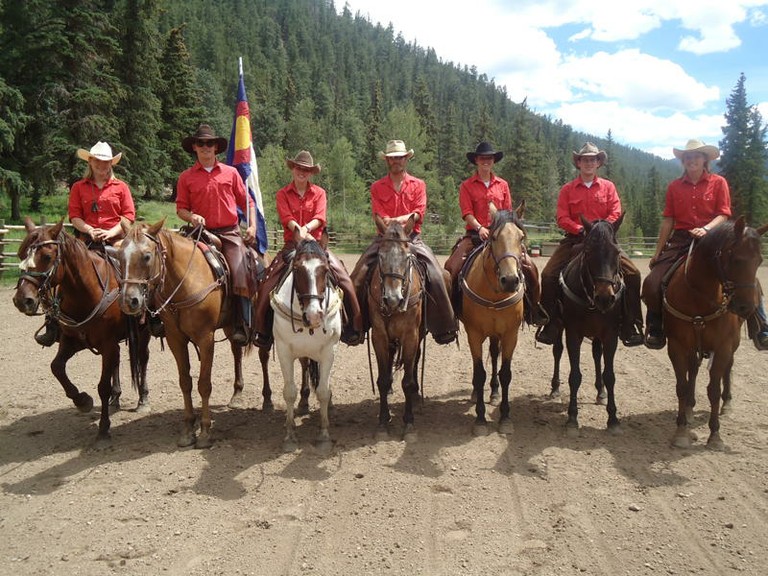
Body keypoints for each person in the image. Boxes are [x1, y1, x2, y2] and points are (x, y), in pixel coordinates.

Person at [642, 138, 768, 350]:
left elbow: (723, 213)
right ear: (684, 161)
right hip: (681, 238)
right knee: (654, 280)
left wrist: (707, 229)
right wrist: (658, 252)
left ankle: (761, 325)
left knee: (745, 276)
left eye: (696, 156)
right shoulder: (674, 187)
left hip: (714, 239)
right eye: (688, 157)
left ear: (704, 160)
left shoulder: (718, 182)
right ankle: (656, 326)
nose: (692, 160)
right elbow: (668, 220)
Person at [535, 142, 645, 347]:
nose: (589, 163)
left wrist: (601, 230)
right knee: (548, 274)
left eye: (592, 159)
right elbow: (561, 216)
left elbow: (615, 211)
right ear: (578, 163)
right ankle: (549, 324)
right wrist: (579, 229)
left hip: (604, 242)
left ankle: (631, 324)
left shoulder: (608, 187)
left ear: (598, 163)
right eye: (585, 159)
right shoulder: (567, 189)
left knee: (633, 274)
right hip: (575, 238)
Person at [350, 139, 458, 345]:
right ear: (387, 161)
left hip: (411, 239)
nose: (396, 161)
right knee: (356, 276)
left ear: (406, 159)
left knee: (439, 275)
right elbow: (379, 216)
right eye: (392, 158)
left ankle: (445, 325)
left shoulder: (418, 185)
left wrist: (398, 220)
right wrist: (400, 219)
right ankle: (355, 326)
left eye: (400, 157)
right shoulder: (377, 187)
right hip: (384, 239)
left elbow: (419, 213)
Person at [252, 150, 364, 348]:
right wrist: (298, 230)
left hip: (317, 246)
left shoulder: (320, 193)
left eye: (306, 169)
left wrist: (306, 229)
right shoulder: (282, 194)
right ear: (293, 169)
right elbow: (286, 218)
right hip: (292, 246)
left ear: (311, 173)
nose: (301, 172)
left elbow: (320, 217)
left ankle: (354, 326)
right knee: (268, 282)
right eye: (298, 168)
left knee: (345, 279)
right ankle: (262, 329)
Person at [35, 141, 137, 347]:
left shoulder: (121, 187)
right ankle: (52, 322)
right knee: (61, 273)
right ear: (90, 162)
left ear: (111, 164)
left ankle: (139, 316)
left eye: (106, 162)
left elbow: (128, 216)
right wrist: (89, 230)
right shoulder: (78, 187)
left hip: (115, 239)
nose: (102, 165)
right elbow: (75, 216)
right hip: (85, 241)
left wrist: (110, 232)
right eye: (98, 161)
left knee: (131, 271)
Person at [444, 141, 548, 325]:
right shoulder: (467, 186)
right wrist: (480, 228)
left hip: (502, 237)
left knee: (530, 267)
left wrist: (503, 231)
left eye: (489, 158)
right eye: (482, 158)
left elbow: (508, 214)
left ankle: (533, 309)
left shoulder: (503, 185)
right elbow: (466, 212)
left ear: (493, 161)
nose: (486, 161)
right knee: (452, 267)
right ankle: (451, 313)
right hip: (475, 236)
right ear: (476, 160)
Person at [176, 124, 258, 346]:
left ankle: (241, 322)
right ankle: (167, 319)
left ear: (216, 148)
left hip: (229, 232)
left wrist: (251, 226)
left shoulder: (231, 173)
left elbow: (248, 201)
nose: (205, 147)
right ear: (194, 147)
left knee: (241, 267)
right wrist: (192, 216)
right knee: (171, 263)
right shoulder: (186, 177)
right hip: (199, 232)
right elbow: (180, 208)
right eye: (201, 143)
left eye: (209, 143)